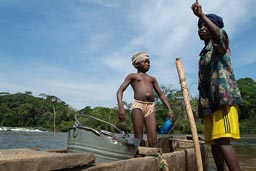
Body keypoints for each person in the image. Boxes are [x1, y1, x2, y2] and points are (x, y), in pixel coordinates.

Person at [191, 2, 242, 171]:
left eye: (205, 25)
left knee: (222, 141)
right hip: (208, 104)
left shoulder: (220, 43)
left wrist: (201, 15)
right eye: (199, 26)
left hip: (222, 99)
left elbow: (219, 36)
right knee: (213, 142)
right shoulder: (203, 54)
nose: (201, 28)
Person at [116, 51, 174, 147]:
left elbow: (161, 94)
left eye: (148, 62)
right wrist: (121, 107)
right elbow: (120, 91)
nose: (147, 64)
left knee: (153, 139)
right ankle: (138, 157)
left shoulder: (152, 79)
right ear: (137, 64)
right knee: (138, 137)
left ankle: (155, 158)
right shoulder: (133, 76)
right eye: (145, 62)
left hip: (150, 107)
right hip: (138, 106)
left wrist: (169, 109)